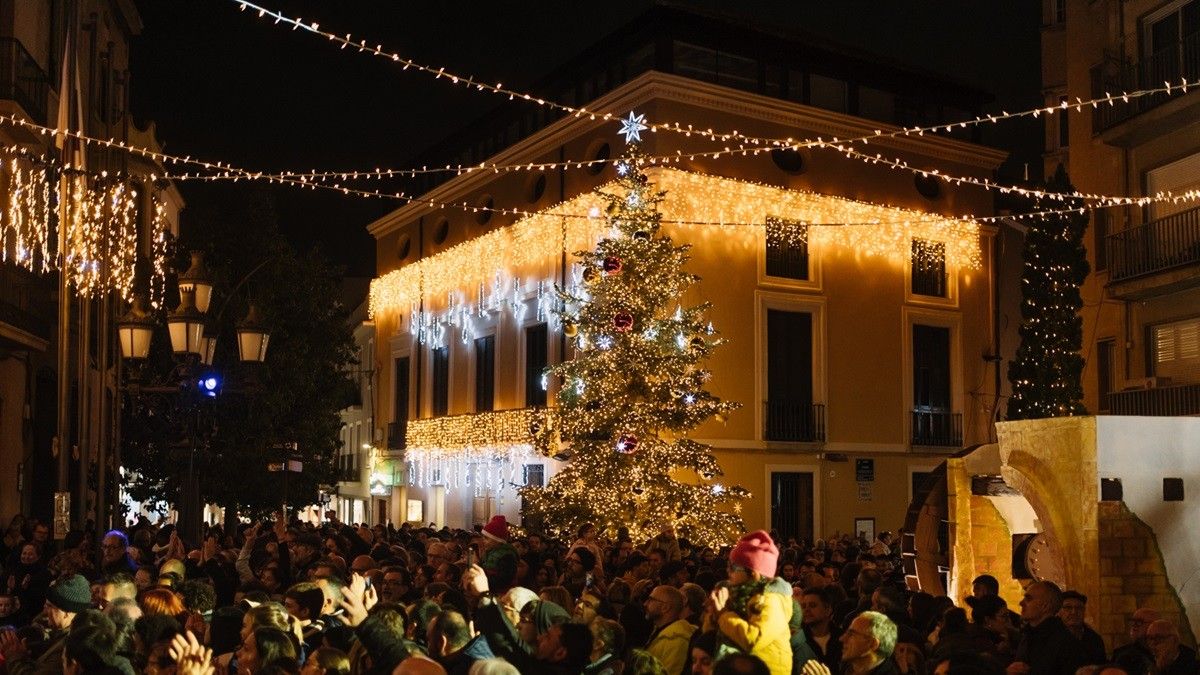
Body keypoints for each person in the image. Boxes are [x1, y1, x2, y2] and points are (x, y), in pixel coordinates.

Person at [709, 531, 791, 675]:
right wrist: (713, 614)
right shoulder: (738, 597)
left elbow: (754, 639)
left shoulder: (770, 599)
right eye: (728, 565)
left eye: (734, 567)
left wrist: (723, 614)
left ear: (754, 573)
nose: (728, 571)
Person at [0, 574, 94, 675]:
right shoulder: (60, 635)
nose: (44, 611)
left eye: (50, 606)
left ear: (67, 613)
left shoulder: (69, 648)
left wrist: (14, 657)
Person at [1008, 581, 1086, 675]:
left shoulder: (1065, 643)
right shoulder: (1028, 635)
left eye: (1028, 599)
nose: (1021, 603)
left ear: (1045, 606)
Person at [646, 585, 697, 675]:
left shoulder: (676, 640)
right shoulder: (661, 632)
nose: (645, 604)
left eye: (651, 599)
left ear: (665, 607)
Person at [427, 608, 495, 675]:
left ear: (441, 642)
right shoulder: (481, 650)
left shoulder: (462, 670)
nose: (428, 647)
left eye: (429, 640)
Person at [1057, 591, 1105, 666]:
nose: (1074, 612)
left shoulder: (1094, 639)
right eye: (1068, 607)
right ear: (1059, 611)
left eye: (1079, 608)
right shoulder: (1052, 638)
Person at [800, 588, 841, 669]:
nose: (807, 610)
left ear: (827, 609)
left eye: (812, 605)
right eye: (803, 606)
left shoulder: (843, 639)